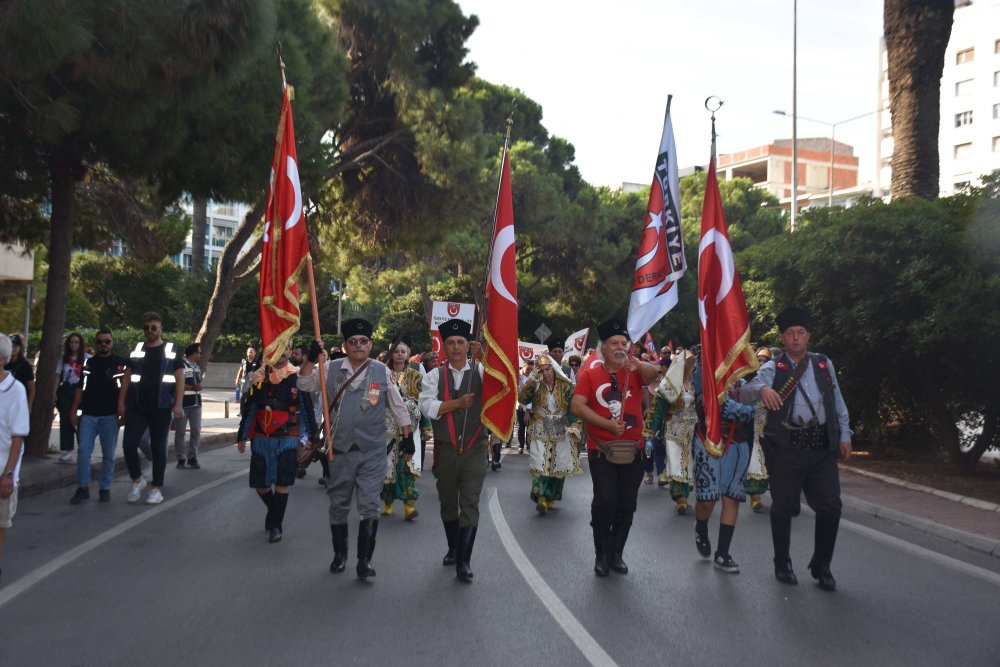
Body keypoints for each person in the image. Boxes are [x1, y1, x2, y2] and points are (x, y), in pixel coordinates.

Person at [740, 306, 852, 591]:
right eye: (791, 334)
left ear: (808, 336)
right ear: (783, 338)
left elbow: (837, 400)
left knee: (831, 506)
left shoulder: (824, 364)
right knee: (784, 507)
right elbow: (745, 392)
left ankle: (822, 564)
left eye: (801, 333)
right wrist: (763, 390)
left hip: (821, 448)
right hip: (787, 448)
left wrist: (845, 435)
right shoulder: (773, 367)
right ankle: (782, 562)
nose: (796, 338)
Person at [298, 318, 413, 580]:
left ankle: (364, 561)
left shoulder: (381, 371)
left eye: (363, 341)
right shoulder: (329, 368)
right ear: (345, 345)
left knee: (369, 504)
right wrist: (309, 360)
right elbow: (303, 384)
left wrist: (407, 435)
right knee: (339, 504)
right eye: (353, 341)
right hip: (339, 451)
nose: (358, 345)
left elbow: (396, 404)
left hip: (372, 451)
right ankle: (340, 555)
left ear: (370, 345)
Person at [571, 318, 660, 577]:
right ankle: (601, 553)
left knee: (627, 504)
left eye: (624, 343)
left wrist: (639, 363)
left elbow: (655, 375)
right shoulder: (589, 374)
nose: (620, 348)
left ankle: (617, 553)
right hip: (602, 450)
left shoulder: (635, 371)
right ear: (603, 349)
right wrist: (607, 425)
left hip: (634, 450)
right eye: (614, 344)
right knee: (605, 501)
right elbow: (577, 406)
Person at [418, 319, 486, 583]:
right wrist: (456, 403)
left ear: (469, 345)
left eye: (461, 342)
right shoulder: (434, 375)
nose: (456, 347)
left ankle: (463, 562)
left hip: (475, 448)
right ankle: (453, 547)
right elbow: (427, 406)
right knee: (448, 503)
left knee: (469, 502)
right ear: (443, 346)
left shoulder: (480, 372)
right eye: (451, 343)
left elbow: (501, 388)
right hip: (445, 450)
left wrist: (485, 360)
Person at [237, 341, 316, 543]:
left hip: (287, 439)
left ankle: (276, 525)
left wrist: (311, 437)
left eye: (286, 349)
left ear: (290, 352)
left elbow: (307, 410)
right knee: (260, 486)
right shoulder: (258, 378)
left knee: (282, 483)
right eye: (276, 348)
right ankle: (274, 512)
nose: (281, 353)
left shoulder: (297, 378)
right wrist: (242, 435)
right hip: (262, 440)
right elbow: (250, 409)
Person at [690, 362, 755, 574]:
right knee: (707, 500)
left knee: (731, 498)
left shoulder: (742, 373)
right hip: (708, 441)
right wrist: (736, 408)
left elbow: (751, 409)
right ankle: (701, 525)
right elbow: (705, 404)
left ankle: (723, 553)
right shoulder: (702, 369)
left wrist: (732, 408)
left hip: (738, 443)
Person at [119, 312, 184, 505]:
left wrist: (178, 403)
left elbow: (180, 378)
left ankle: (156, 488)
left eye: (153, 327)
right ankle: (137, 480)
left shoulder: (171, 350)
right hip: (137, 407)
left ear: (160, 328)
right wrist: (121, 403)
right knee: (129, 444)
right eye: (146, 328)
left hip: (162, 407)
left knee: (158, 448)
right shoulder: (137, 350)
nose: (150, 331)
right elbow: (127, 377)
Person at [69, 331, 127, 504]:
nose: (103, 344)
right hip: (88, 415)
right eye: (100, 341)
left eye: (107, 341)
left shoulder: (120, 364)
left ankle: (104, 488)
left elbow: (126, 388)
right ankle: (83, 487)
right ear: (96, 343)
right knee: (83, 451)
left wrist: (123, 412)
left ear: (112, 342)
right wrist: (73, 411)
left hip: (109, 416)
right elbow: (80, 388)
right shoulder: (88, 362)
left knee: (109, 454)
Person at [519, 355, 582, 514]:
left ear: (553, 369)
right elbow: (522, 398)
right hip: (540, 424)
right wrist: (531, 382)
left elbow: (574, 409)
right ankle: (541, 497)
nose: (545, 373)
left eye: (547, 369)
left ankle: (551, 497)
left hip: (559, 424)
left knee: (557, 463)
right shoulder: (536, 384)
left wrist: (575, 426)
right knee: (540, 461)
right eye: (541, 370)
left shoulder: (566, 386)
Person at [644, 352, 697, 514]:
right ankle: (679, 497)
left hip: (691, 431)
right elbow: (657, 410)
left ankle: (684, 495)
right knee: (675, 462)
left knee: (687, 462)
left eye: (692, 364)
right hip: (673, 430)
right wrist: (650, 431)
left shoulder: (695, 384)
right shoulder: (669, 386)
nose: (690, 368)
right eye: (688, 364)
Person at [381, 336, 423, 520]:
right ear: (391, 353)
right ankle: (388, 503)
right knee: (387, 468)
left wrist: (427, 427)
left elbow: (423, 402)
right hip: (386, 428)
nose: (399, 354)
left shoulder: (416, 377)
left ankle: (409, 507)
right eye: (396, 351)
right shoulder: (381, 373)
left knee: (407, 467)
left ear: (408, 355)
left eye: (403, 352)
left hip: (410, 428)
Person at [0, 335, 29, 584]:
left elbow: (18, 436)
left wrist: (8, 474)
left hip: (2, 470)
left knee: (0, 524)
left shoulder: (15, 390)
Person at [746, 347, 773, 512]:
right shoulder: (749, 380)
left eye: (765, 361)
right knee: (755, 460)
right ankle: (755, 496)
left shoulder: (776, 381)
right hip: (753, 427)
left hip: (769, 429)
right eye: (760, 361)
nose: (762, 364)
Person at [56, 332, 88, 462]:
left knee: (81, 421)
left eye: (76, 342)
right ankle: (66, 450)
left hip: (81, 391)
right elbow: (57, 376)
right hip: (66, 390)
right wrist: (54, 392)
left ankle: (84, 448)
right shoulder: (63, 359)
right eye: (71, 342)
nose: (73, 345)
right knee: (65, 420)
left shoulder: (87, 358)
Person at [173, 343, 203, 469]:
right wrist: (192, 387)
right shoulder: (181, 365)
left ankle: (192, 457)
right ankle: (181, 458)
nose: (200, 355)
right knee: (180, 432)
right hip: (183, 404)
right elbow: (177, 383)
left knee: (196, 431)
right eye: (199, 352)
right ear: (193, 353)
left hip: (196, 404)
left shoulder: (197, 367)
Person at [5, 335, 35, 409]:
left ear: (20, 348)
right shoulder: (3, 363)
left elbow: (31, 388)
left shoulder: (25, 365)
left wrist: (29, 405)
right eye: (11, 346)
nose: (13, 348)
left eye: (15, 346)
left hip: (19, 402)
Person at [235, 346, 260, 415]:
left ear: (254, 353)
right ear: (247, 353)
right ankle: (241, 411)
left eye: (252, 352)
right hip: (244, 381)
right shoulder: (244, 361)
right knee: (243, 396)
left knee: (253, 396)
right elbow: (240, 370)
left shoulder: (257, 361)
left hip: (253, 381)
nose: (250, 353)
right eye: (249, 352)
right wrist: (237, 379)